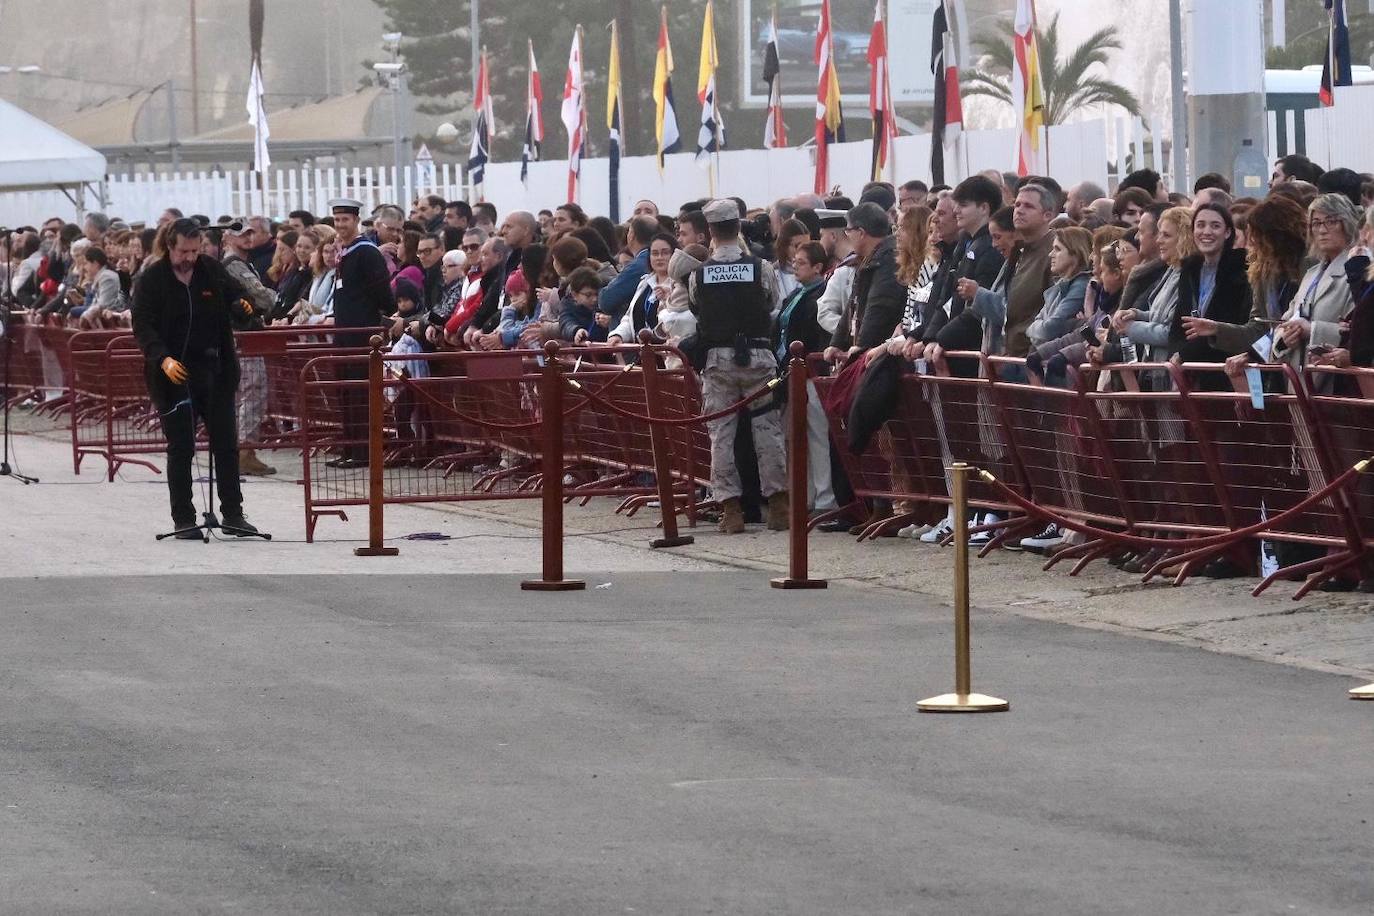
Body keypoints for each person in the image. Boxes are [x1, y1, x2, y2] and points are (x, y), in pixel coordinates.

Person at [130, 218, 259, 538]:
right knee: (181, 448)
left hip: (216, 373)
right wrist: (162, 359)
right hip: (173, 377)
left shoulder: (211, 270)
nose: (189, 258)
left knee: (226, 446)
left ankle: (233, 514)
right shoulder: (152, 280)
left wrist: (242, 306)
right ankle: (184, 518)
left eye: (194, 251)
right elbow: (142, 326)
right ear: (169, 246)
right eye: (183, 252)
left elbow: (238, 297)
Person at [689, 198, 787, 534]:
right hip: (758, 357)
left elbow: (697, 309)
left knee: (721, 434)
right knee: (768, 430)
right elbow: (773, 304)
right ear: (738, 226)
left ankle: (730, 509)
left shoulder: (698, 274)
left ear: (710, 231)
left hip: (718, 361)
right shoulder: (762, 268)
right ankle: (778, 506)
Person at [328, 197, 397, 468]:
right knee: (345, 392)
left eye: (345, 219)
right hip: (344, 333)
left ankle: (362, 451)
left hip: (361, 334)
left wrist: (384, 315)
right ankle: (349, 448)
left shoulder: (366, 252)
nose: (340, 225)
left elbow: (382, 293)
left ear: (356, 220)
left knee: (360, 394)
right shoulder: (345, 252)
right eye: (337, 220)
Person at [1271, 193, 1359, 370]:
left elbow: (1361, 334)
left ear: (1347, 223)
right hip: (1299, 378)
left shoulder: (1358, 273)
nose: (1322, 230)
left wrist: (1312, 330)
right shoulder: (1311, 275)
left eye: (1331, 221)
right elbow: (1285, 321)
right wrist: (1284, 339)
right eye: (1316, 223)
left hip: (1336, 378)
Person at [220, 220, 275, 476]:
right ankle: (245, 451)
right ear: (226, 237)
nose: (247, 237)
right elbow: (262, 297)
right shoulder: (234, 265)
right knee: (253, 391)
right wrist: (277, 299)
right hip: (243, 335)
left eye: (251, 232)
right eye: (240, 233)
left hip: (239, 336)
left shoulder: (240, 263)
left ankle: (240, 450)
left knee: (243, 394)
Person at [1175, 203, 1254, 370]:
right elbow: (1179, 322)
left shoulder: (1241, 270)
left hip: (1225, 367)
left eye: (1215, 226)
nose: (1207, 232)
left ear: (1227, 232)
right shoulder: (1189, 269)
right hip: (1188, 368)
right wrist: (1176, 354)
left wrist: (1185, 355)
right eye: (1200, 225)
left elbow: (1231, 322)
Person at [607, 233, 677, 345]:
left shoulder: (679, 285)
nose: (659, 258)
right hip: (640, 351)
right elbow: (629, 317)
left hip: (667, 350)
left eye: (665, 253)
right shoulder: (644, 283)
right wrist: (618, 334)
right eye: (655, 253)